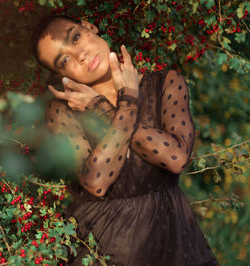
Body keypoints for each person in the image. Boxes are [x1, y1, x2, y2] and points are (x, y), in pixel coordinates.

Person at [31, 14, 218, 265]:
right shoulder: (63, 111)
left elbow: (176, 158)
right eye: (65, 60)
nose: (80, 56)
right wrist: (126, 105)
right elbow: (97, 181)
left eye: (75, 37)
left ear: (90, 26)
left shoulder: (165, 83)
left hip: (173, 242)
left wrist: (108, 107)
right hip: (104, 248)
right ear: (61, 74)